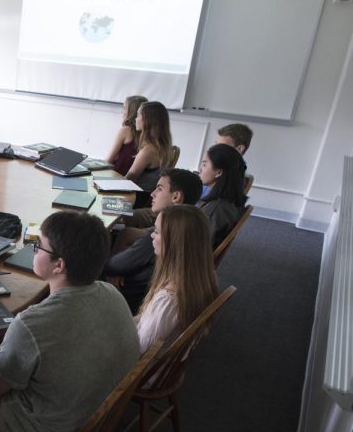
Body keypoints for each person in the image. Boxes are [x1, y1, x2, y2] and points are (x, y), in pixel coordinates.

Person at [0, 211, 139, 432]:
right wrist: (12, 334)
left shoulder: (33, 323)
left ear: (60, 265)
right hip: (93, 425)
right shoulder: (111, 294)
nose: (34, 250)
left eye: (39, 246)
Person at [104, 168, 203, 313]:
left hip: (123, 305)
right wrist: (122, 266)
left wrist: (116, 268)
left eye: (159, 189)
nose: (152, 194)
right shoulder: (187, 228)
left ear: (175, 197)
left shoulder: (157, 239)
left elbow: (111, 266)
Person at [136, 204, 218, 354]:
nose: (152, 236)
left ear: (174, 242)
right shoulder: (200, 279)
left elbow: (141, 351)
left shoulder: (167, 301)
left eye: (156, 231)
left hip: (138, 370)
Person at [125, 101, 177, 208]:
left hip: (135, 200)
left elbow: (128, 180)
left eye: (138, 115)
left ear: (148, 121)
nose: (135, 118)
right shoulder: (164, 147)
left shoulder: (148, 151)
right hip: (147, 199)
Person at [198, 143, 247, 247]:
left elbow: (196, 247)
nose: (200, 169)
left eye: (205, 164)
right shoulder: (228, 201)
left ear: (218, 172)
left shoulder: (214, 210)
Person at [105, 95, 148, 175]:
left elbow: (108, 161)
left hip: (116, 176)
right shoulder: (148, 135)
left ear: (132, 111)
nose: (122, 111)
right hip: (133, 181)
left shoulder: (125, 131)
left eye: (124, 108)